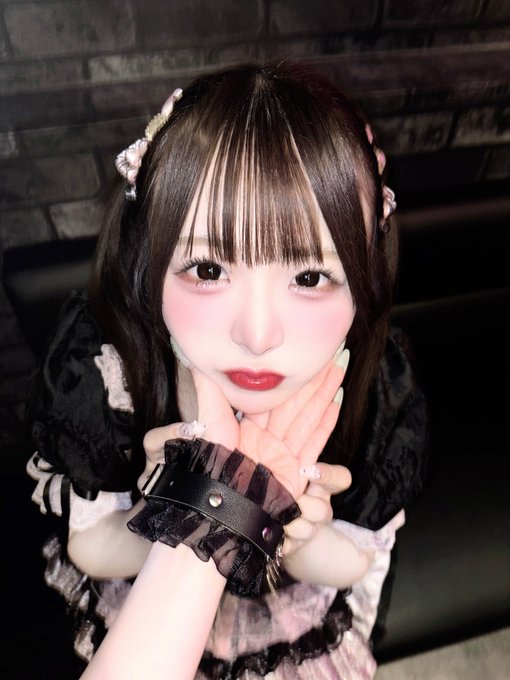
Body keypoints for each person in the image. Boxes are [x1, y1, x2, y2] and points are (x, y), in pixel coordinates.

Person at [27, 63, 427, 679]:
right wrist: (170, 507)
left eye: (310, 276)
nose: (258, 336)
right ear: (148, 263)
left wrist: (298, 536)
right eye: (209, 270)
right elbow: (90, 545)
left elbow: (357, 557)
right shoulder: (108, 371)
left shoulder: (372, 384)